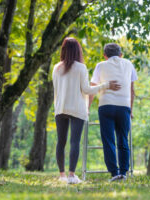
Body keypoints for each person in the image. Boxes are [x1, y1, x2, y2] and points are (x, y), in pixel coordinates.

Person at [52, 38, 120, 184]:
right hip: (77, 108)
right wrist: (106, 85)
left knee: (61, 142)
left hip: (60, 108)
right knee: (74, 142)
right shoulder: (81, 67)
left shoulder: (56, 67)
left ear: (63, 50)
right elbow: (87, 90)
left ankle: (62, 175)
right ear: (78, 50)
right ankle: (71, 175)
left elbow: (56, 91)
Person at [89, 43, 137, 181]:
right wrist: (131, 110)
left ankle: (114, 173)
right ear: (121, 54)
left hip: (106, 106)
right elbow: (132, 90)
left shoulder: (101, 65)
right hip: (124, 106)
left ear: (104, 56)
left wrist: (87, 108)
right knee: (123, 139)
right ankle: (124, 172)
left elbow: (93, 88)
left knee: (108, 140)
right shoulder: (128, 64)